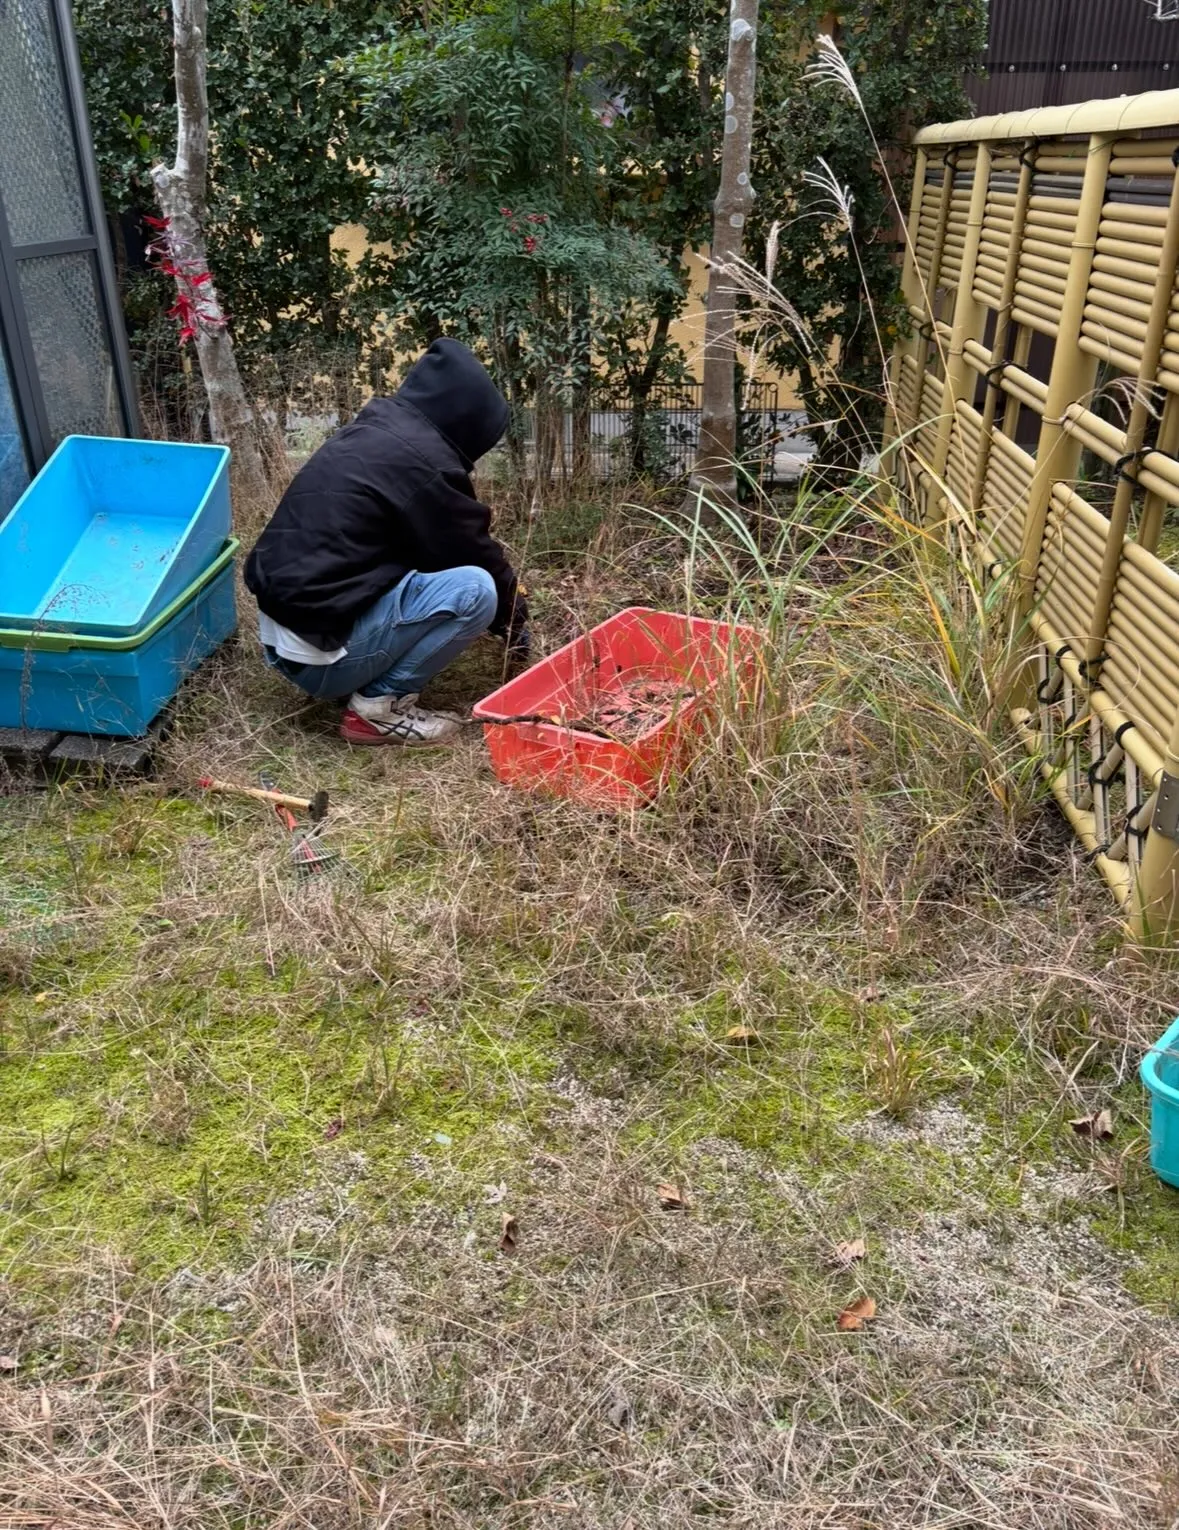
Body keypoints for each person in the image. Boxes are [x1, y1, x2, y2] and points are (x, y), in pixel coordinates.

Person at [245, 338, 528, 746]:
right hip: (321, 661)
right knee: (476, 590)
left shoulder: (375, 434)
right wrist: (515, 621)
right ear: (466, 420)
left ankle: (357, 670)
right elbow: (475, 553)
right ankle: (379, 710)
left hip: (286, 644)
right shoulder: (424, 463)